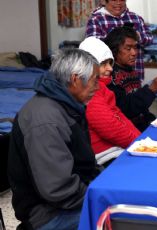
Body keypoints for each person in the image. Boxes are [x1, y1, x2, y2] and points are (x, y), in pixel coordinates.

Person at [7, 49, 101, 230]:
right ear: (75, 79)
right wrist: (99, 195)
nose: (97, 87)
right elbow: (58, 190)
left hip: (68, 200)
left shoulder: (66, 105)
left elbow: (84, 162)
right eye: (95, 80)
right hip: (48, 214)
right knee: (122, 216)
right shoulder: (46, 120)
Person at [79, 37, 140, 165]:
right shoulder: (90, 93)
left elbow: (120, 117)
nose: (110, 68)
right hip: (104, 157)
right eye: (103, 64)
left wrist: (140, 139)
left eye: (110, 63)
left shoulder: (102, 88)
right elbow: (112, 128)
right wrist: (141, 143)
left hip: (115, 150)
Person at [104, 26, 157, 132]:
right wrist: (150, 90)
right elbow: (125, 110)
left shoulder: (130, 70)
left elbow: (141, 107)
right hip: (128, 132)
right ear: (115, 50)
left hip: (143, 126)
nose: (134, 53)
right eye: (128, 48)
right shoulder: (109, 76)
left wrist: (153, 121)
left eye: (135, 47)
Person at [85, 0, 153, 81]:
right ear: (104, 1)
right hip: (110, 76)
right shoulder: (96, 20)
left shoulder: (136, 18)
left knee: (137, 93)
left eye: (121, 0)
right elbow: (93, 44)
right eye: (114, 0)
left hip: (135, 72)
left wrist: (139, 36)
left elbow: (150, 39)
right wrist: (116, 38)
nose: (118, 3)